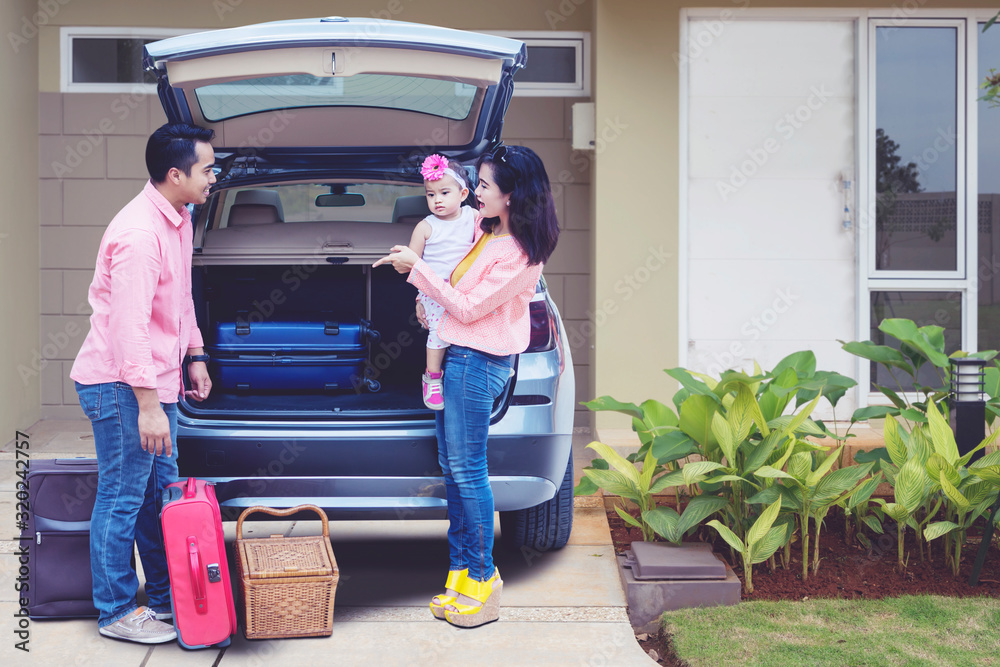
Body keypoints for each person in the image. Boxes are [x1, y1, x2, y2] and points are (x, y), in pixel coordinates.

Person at [373, 144, 559, 628]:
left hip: (479, 363)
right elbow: (453, 273)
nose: (476, 194)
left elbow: (471, 308)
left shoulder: (520, 256)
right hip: (459, 354)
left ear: (512, 196)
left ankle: (484, 578)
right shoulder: (485, 227)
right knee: (454, 469)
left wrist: (417, 272)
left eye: (483, 187)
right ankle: (459, 575)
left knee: (469, 469)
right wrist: (429, 294)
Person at [70, 122, 216, 644]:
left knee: (161, 497)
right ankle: (114, 611)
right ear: (176, 174)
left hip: (156, 383)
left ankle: (163, 601)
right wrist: (148, 405)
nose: (213, 177)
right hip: (121, 387)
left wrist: (194, 354)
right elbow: (127, 326)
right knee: (122, 496)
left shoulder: (179, 217)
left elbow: (178, 302)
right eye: (207, 169)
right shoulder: (139, 234)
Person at [407, 153, 477, 410]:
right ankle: (432, 377)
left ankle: (493, 366)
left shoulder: (473, 217)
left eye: (444, 192)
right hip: (435, 293)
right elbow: (412, 264)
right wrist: (419, 297)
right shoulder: (426, 227)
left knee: (479, 327)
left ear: (463, 193)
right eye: (430, 194)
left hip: (468, 290)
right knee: (438, 334)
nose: (437, 200)